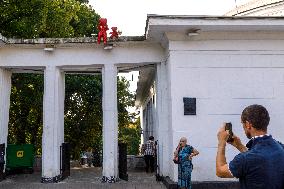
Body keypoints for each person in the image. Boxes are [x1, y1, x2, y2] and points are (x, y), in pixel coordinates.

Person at [216, 104, 284, 189]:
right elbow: (258, 159)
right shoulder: (280, 147)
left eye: (243, 124)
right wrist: (239, 146)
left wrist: (221, 142)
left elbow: (220, 171)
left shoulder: (244, 159)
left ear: (248, 125)